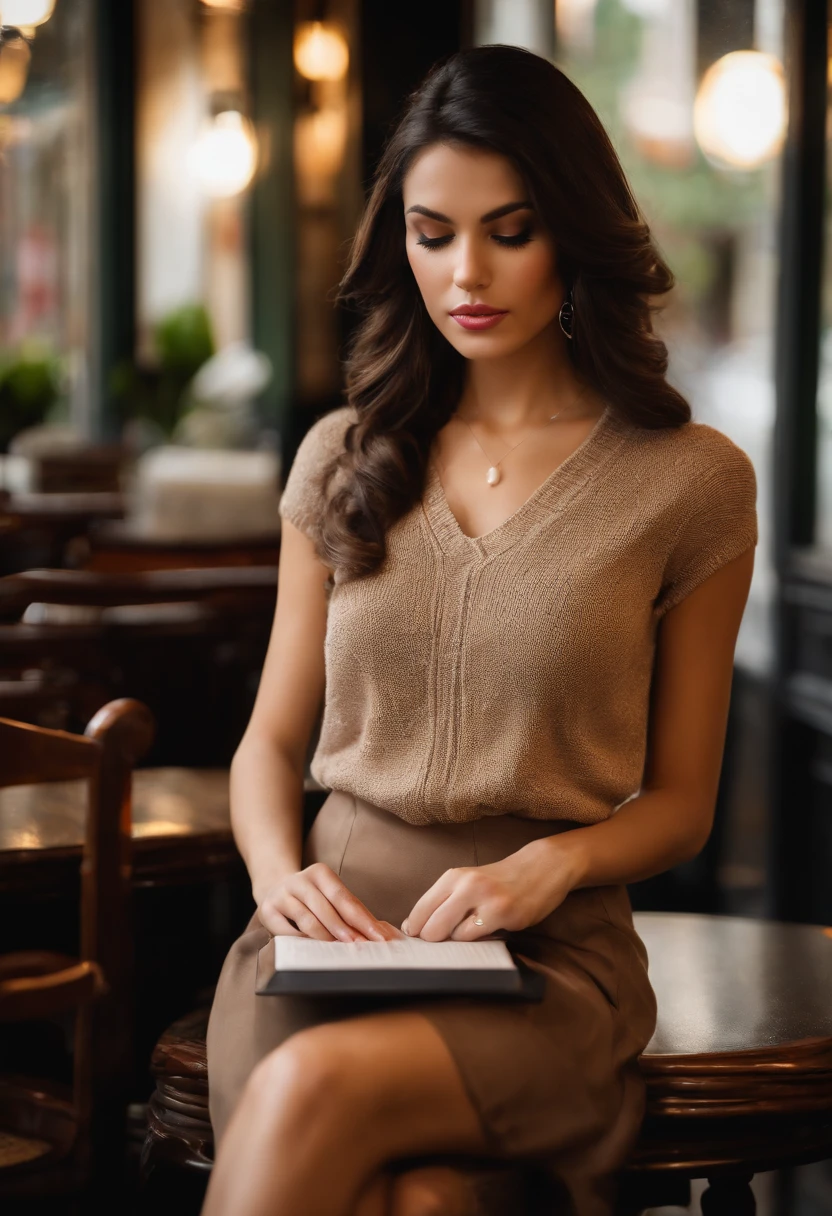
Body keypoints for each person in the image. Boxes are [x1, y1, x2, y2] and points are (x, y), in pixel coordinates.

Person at [202, 44, 757, 1216]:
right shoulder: (341, 457)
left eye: (508, 230)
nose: (466, 272)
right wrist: (275, 876)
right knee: (421, 1200)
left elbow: (681, 803)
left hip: (543, 958)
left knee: (312, 1098)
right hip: (324, 941)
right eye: (431, 231)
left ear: (574, 228)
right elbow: (266, 744)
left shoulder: (691, 482)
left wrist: (548, 863)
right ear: (396, 242)